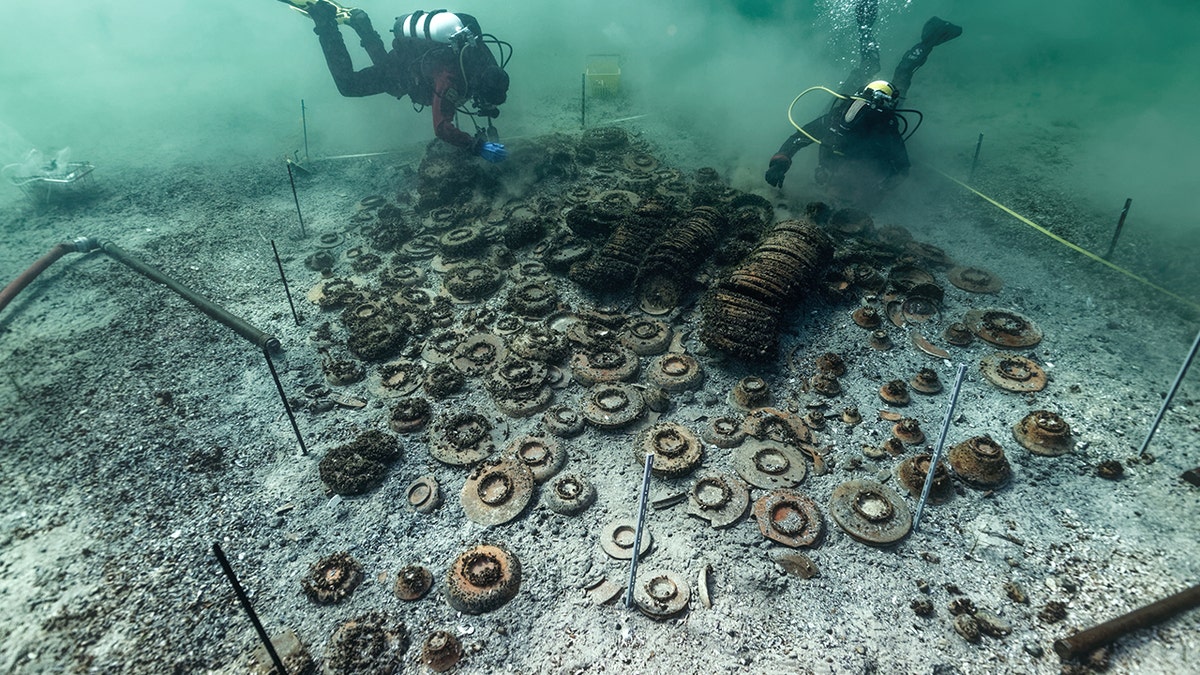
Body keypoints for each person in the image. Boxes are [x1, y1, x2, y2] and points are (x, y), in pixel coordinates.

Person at [764, 1, 961, 207]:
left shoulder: (877, 130)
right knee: (895, 72)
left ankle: (906, 36)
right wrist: (780, 162)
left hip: (879, 106)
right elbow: (799, 138)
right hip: (865, 101)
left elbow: (902, 170)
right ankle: (875, 27)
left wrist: (881, 190)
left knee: (888, 71)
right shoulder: (840, 119)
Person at [281, 1, 512, 162]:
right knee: (350, 85)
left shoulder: (481, 56)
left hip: (406, 63)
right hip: (405, 72)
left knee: (389, 70)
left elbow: (489, 90)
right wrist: (477, 146)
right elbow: (441, 128)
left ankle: (362, 25)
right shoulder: (450, 78)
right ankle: (325, 24)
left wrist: (489, 110)